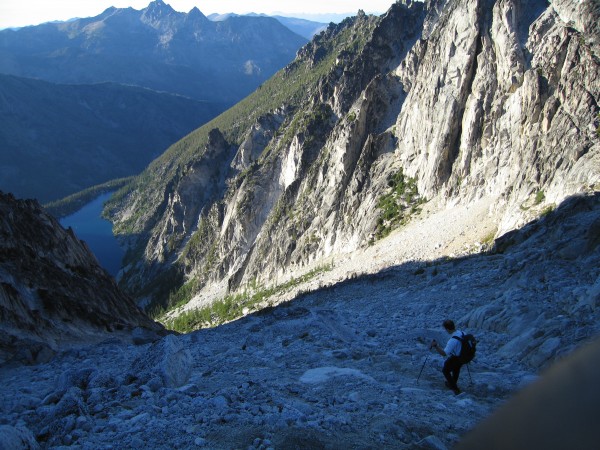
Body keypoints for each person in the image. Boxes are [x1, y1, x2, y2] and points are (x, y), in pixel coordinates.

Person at [431, 319, 464, 394]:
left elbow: (444, 353)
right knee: (456, 369)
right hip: (464, 356)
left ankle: (455, 388)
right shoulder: (462, 332)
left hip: (456, 357)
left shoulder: (452, 340)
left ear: (447, 329)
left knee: (445, 370)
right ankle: (453, 383)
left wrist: (436, 346)